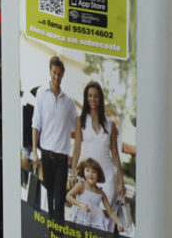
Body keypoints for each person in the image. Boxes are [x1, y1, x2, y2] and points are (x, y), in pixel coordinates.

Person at [70, 80, 126, 231]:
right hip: (86, 176)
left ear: (100, 99)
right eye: (89, 96)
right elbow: (76, 149)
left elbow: (115, 153)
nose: (92, 99)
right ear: (86, 98)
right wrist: (73, 172)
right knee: (85, 218)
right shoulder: (80, 121)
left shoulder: (110, 124)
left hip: (107, 177)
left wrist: (121, 179)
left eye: (95, 96)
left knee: (103, 219)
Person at [31, 56, 78, 221]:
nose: (56, 77)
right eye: (54, 73)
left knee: (58, 203)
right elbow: (36, 124)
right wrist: (34, 152)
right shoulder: (41, 94)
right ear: (50, 71)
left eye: (59, 74)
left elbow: (78, 131)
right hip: (46, 156)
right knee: (49, 200)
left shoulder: (69, 103)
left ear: (63, 75)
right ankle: (51, 232)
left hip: (62, 160)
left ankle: (58, 234)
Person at [67, 158, 125, 233]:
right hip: (78, 219)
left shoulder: (101, 193)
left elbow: (110, 211)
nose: (90, 174)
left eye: (94, 172)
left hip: (92, 223)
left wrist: (119, 223)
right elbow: (68, 196)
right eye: (87, 170)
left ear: (99, 175)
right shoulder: (81, 185)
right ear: (83, 171)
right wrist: (81, 204)